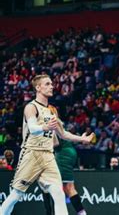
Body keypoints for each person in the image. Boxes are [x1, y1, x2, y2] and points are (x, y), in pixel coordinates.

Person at [0, 74, 93, 215]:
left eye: (51, 84)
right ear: (38, 87)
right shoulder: (31, 107)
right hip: (31, 154)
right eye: (48, 84)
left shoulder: (51, 111)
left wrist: (82, 139)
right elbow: (32, 128)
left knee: (59, 195)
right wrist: (45, 127)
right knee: (16, 195)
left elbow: (63, 134)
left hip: (48, 156)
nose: (52, 86)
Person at [43, 137, 87, 215]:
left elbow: (56, 143)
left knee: (52, 187)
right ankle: (82, 213)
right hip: (69, 151)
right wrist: (82, 139)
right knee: (68, 188)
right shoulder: (59, 126)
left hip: (63, 154)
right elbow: (66, 135)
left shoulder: (49, 125)